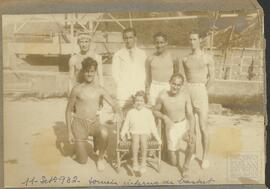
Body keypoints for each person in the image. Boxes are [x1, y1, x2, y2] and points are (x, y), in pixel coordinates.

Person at [65, 57, 121, 171]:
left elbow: (114, 104)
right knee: (82, 161)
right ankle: (78, 147)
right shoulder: (77, 89)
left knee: (104, 132)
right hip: (79, 124)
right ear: (83, 72)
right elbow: (68, 110)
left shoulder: (99, 89)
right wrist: (69, 132)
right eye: (87, 71)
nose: (89, 74)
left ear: (95, 72)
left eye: (92, 71)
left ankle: (100, 158)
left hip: (94, 124)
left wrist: (118, 112)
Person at [182, 31, 215, 169]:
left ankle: (205, 156)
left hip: (201, 90)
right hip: (188, 90)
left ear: (200, 40)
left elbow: (212, 78)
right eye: (190, 39)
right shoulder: (185, 59)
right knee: (191, 126)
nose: (192, 42)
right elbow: (183, 78)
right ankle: (193, 152)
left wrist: (203, 91)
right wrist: (186, 93)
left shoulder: (207, 58)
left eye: (194, 39)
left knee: (203, 127)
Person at [153, 73, 195, 178]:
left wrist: (191, 130)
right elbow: (155, 111)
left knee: (192, 141)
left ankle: (186, 167)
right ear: (169, 83)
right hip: (171, 127)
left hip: (183, 124)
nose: (175, 87)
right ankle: (167, 150)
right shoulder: (162, 95)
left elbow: (190, 114)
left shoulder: (185, 95)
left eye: (178, 85)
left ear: (181, 86)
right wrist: (165, 117)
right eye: (173, 84)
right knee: (173, 163)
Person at [120, 91, 162, 174]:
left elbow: (153, 127)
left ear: (145, 102)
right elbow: (126, 125)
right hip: (134, 133)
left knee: (143, 138)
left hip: (146, 133)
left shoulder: (148, 113)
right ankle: (135, 162)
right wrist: (122, 134)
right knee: (135, 138)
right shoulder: (131, 112)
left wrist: (158, 138)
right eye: (137, 100)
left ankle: (143, 163)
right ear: (134, 102)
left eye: (141, 100)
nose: (139, 102)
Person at [112, 28, 147, 110]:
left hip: (139, 90)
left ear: (135, 38)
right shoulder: (118, 55)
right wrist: (122, 85)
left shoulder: (142, 54)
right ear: (123, 39)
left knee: (139, 114)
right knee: (124, 114)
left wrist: (141, 87)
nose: (128, 40)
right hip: (124, 91)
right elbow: (115, 74)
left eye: (130, 37)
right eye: (126, 38)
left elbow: (145, 73)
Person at [145, 32, 179, 105]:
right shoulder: (150, 59)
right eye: (157, 43)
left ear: (166, 43)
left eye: (162, 42)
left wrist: (176, 91)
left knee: (168, 111)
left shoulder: (173, 58)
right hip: (154, 87)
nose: (159, 45)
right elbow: (148, 78)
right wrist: (147, 93)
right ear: (154, 43)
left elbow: (177, 78)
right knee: (154, 111)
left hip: (168, 87)